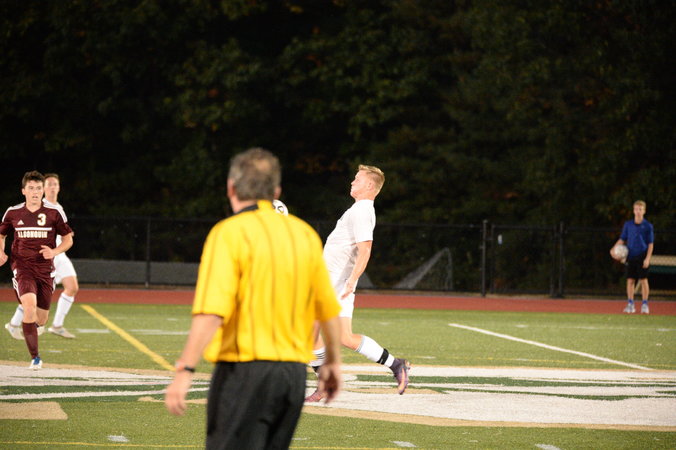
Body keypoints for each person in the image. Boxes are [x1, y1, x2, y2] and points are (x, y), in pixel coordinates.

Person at [164, 148, 342, 449]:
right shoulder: (305, 234)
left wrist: (185, 369)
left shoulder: (229, 232)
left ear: (231, 187)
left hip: (245, 372)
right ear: (276, 191)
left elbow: (212, 312)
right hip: (292, 376)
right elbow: (326, 309)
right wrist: (333, 363)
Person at [305, 165, 410, 403]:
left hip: (334, 282)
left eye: (357, 179)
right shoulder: (359, 209)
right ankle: (396, 364)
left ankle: (324, 384)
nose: (352, 182)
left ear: (369, 185)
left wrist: (352, 280)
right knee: (345, 337)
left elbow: (366, 249)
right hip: (338, 283)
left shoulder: (362, 210)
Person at [0, 170, 74, 369]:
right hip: (22, 267)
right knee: (29, 307)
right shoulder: (13, 212)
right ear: (23, 191)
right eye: (31, 188)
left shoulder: (54, 212)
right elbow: (1, 234)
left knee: (41, 319)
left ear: (43, 191)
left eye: (38, 188)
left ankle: (29, 328)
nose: (35, 192)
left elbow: (68, 239)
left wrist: (54, 251)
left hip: (45, 270)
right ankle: (35, 357)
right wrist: (1, 252)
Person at [611, 200, 654, 314]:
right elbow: (622, 239)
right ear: (633, 211)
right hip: (630, 256)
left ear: (644, 211)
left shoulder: (648, 226)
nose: (638, 211)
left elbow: (650, 244)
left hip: (642, 255)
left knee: (643, 280)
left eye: (640, 209)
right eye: (636, 209)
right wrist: (614, 249)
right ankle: (630, 304)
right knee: (630, 280)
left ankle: (645, 304)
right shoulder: (628, 225)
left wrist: (648, 258)